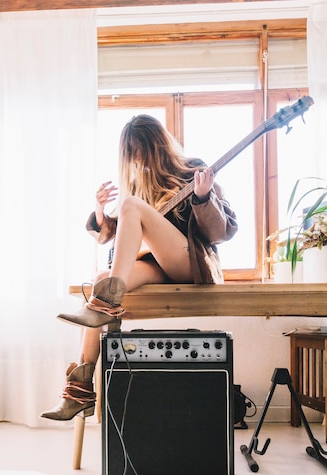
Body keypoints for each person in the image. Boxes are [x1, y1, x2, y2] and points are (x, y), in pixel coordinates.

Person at [40, 114, 238, 421]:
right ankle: (78, 391)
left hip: (189, 263)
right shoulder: (138, 184)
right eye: (130, 153)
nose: (136, 158)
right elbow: (113, 237)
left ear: (156, 145)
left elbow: (220, 233)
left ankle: (105, 301)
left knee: (131, 206)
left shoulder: (194, 170)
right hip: (155, 265)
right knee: (100, 280)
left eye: (139, 149)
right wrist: (100, 211)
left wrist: (202, 197)